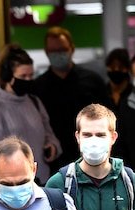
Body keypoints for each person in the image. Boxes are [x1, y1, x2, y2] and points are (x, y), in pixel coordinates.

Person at [0, 43, 60, 184]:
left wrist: (52, 146)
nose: (28, 80)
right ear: (8, 76)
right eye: (23, 76)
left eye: (31, 75)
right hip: (12, 183)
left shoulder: (34, 102)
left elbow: (49, 134)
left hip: (41, 180)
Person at [32, 27, 110, 171]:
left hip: (92, 154)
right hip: (53, 161)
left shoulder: (92, 81)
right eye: (53, 51)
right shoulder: (38, 87)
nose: (58, 54)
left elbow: (109, 118)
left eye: (62, 49)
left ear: (72, 49)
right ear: (46, 52)